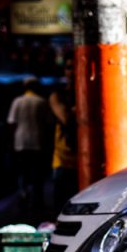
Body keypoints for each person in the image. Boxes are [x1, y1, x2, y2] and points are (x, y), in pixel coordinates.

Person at [7, 76, 53, 212]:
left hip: (20, 144)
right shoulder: (42, 102)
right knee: (37, 174)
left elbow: (11, 123)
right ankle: (37, 200)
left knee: (22, 172)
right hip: (38, 143)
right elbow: (49, 125)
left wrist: (11, 144)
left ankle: (23, 195)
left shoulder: (17, 101)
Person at [49, 54, 78, 213]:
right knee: (62, 208)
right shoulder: (58, 94)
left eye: (74, 67)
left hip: (83, 161)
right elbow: (65, 117)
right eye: (68, 67)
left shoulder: (85, 92)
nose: (71, 71)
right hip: (63, 161)